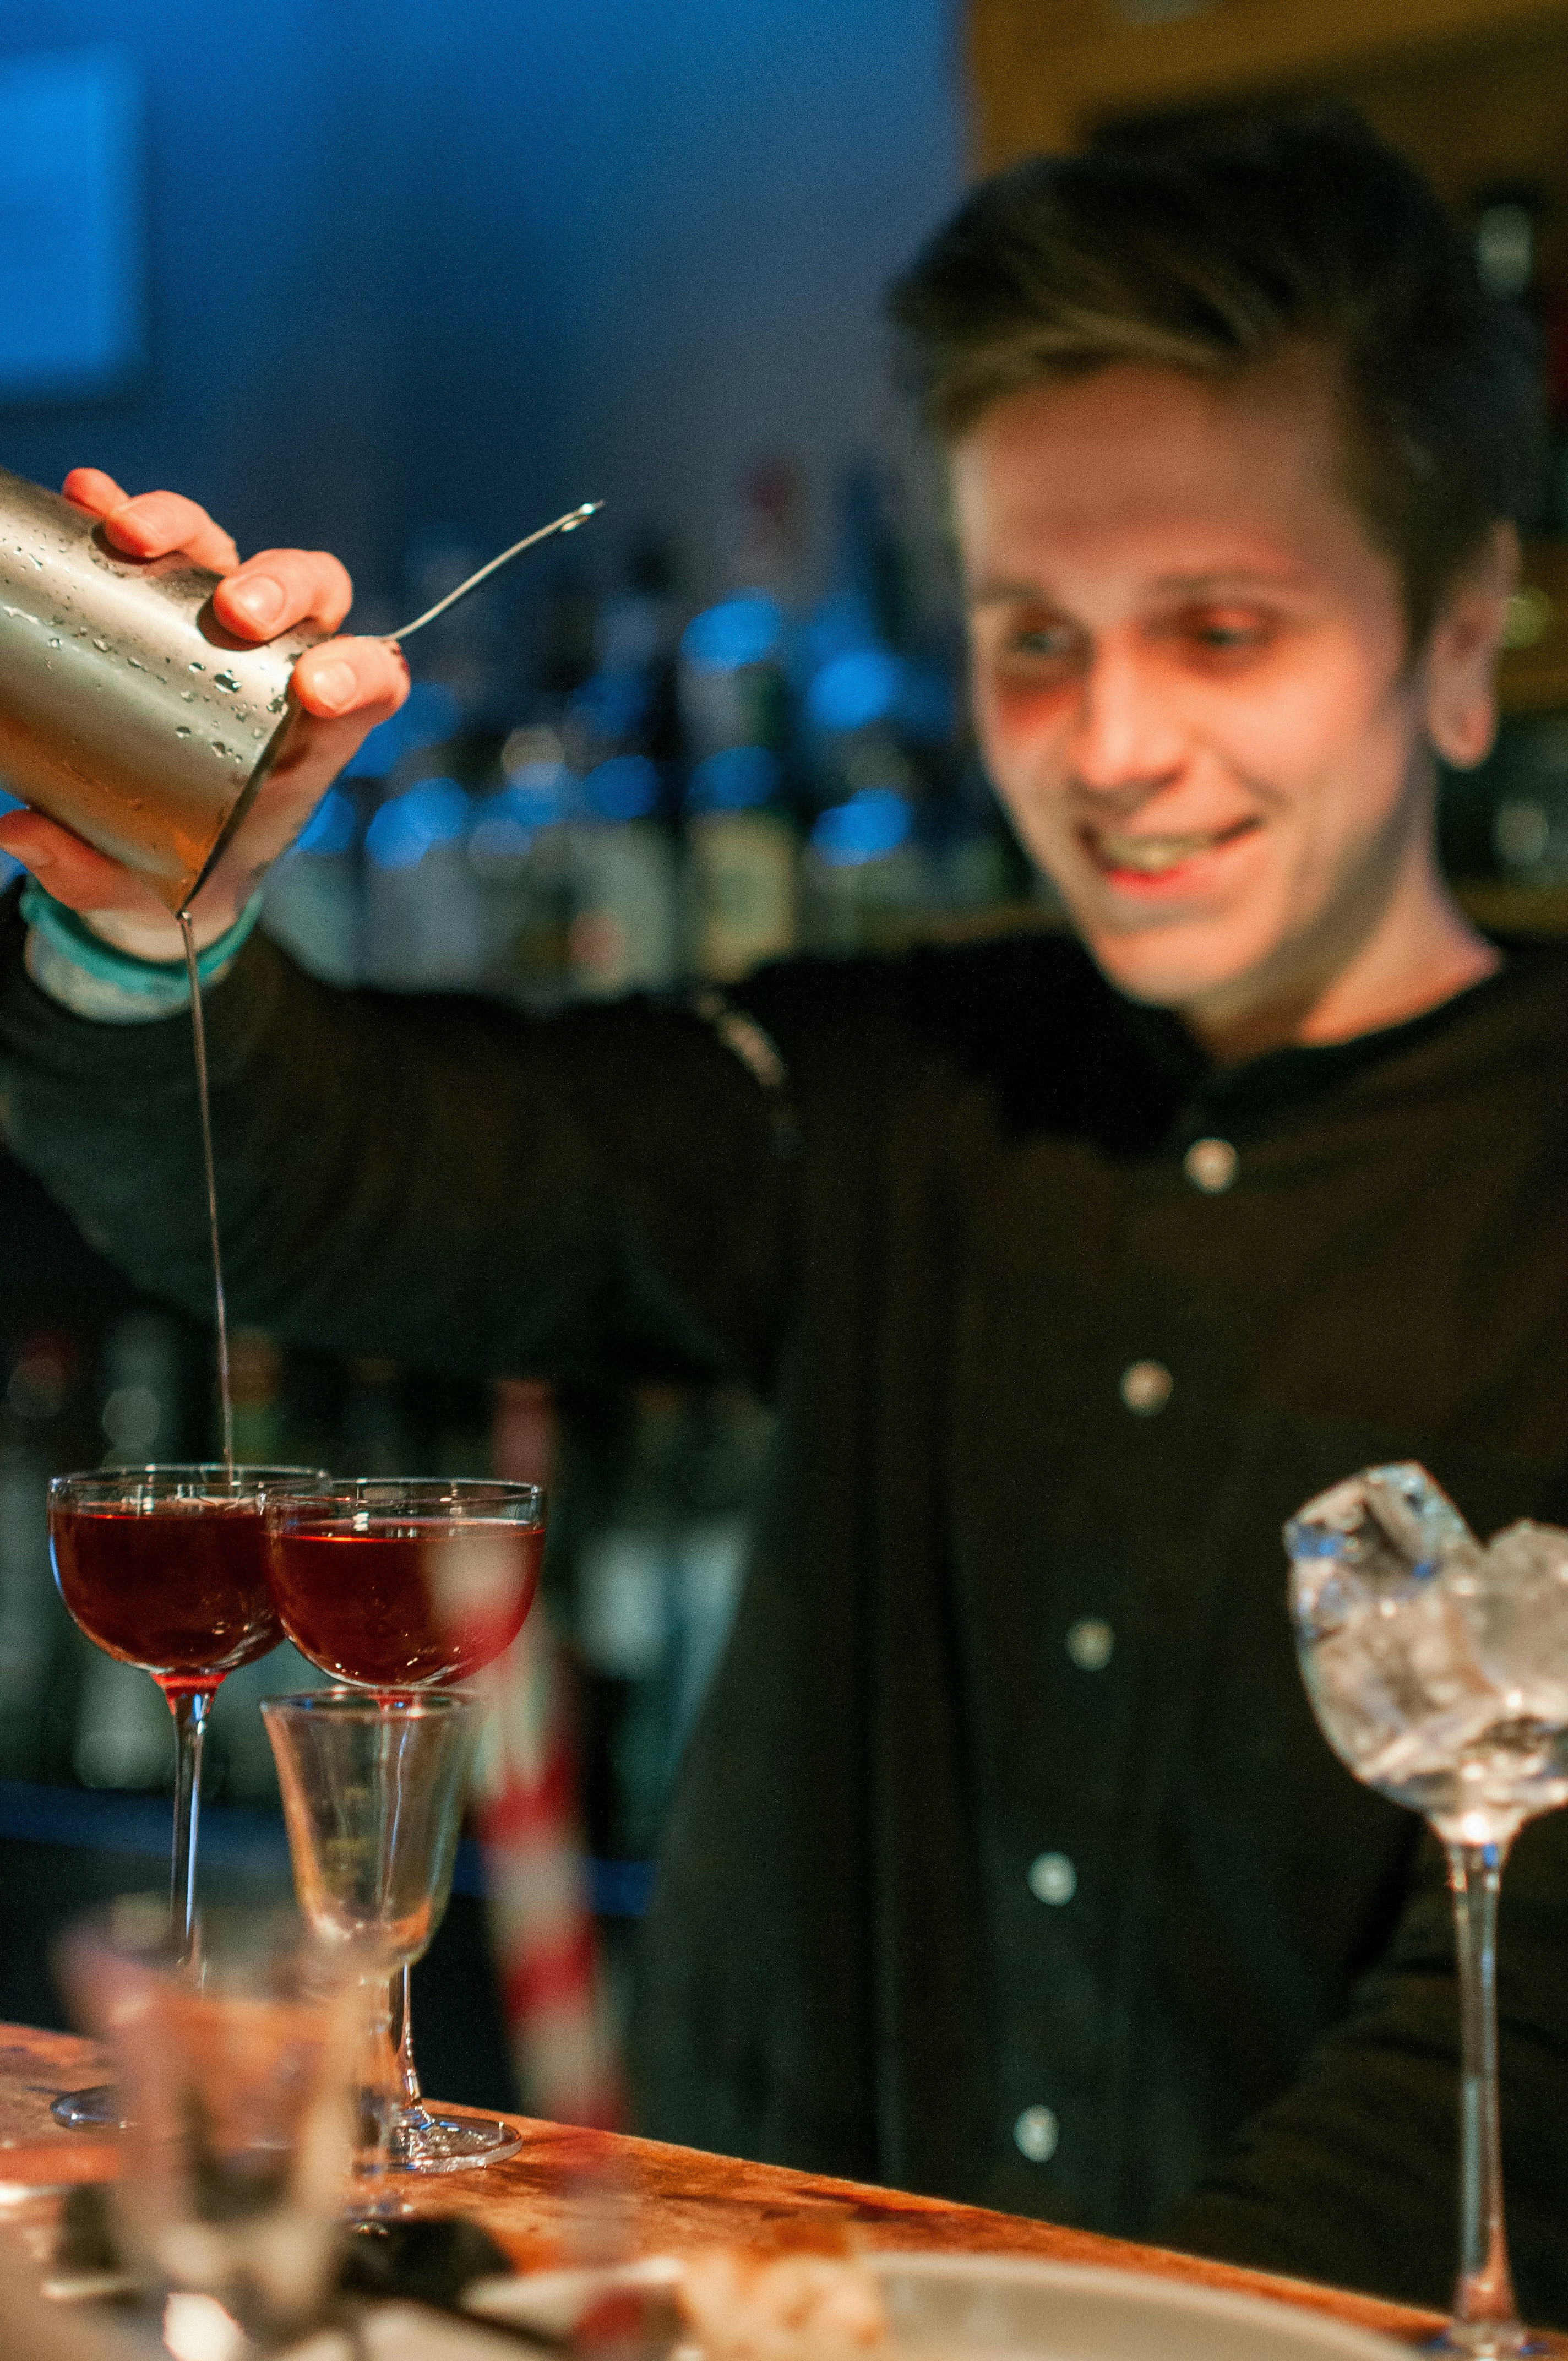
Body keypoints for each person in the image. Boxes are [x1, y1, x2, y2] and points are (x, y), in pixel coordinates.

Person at [2, 113, 1567, 2320]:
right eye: (1034, 636)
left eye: (1221, 629)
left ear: (1457, 633)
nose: (1111, 742)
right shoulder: (884, 1084)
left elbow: (1520, 2055)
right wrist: (156, 916)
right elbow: (366, 1171)